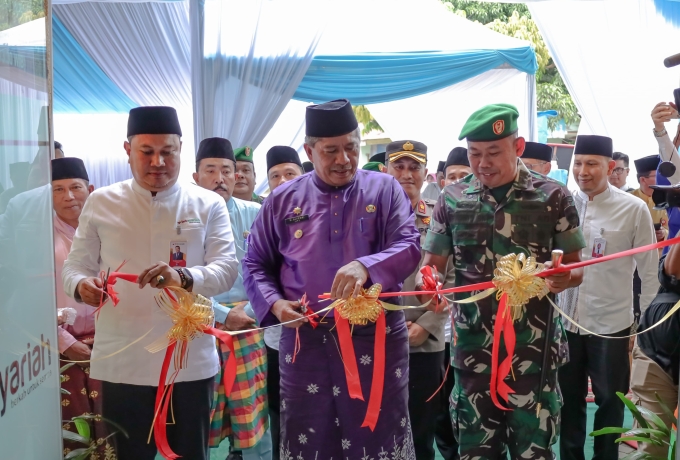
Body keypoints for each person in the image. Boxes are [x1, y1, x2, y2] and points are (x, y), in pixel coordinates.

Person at [243, 99, 421, 459]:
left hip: (376, 337)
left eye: (351, 147)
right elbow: (255, 263)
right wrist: (275, 305)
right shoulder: (280, 200)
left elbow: (409, 245)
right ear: (309, 151)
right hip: (306, 342)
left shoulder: (384, 189)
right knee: (310, 434)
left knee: (378, 434)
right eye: (331, 151)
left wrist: (367, 266)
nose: (344, 159)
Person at [62, 106, 239, 460]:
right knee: (128, 455)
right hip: (122, 358)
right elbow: (74, 266)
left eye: (167, 151)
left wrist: (185, 277)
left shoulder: (207, 204)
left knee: (190, 453)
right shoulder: (101, 202)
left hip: (187, 358)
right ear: (128, 150)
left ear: (180, 149)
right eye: (147, 151)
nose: (158, 161)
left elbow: (226, 269)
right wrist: (81, 286)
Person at [418, 103, 586, 460]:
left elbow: (576, 268)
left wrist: (561, 278)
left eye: (494, 153)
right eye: (474, 154)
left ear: (519, 147)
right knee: (476, 451)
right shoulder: (451, 199)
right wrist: (430, 286)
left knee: (534, 451)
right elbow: (431, 265)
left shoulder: (553, 197)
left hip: (534, 353)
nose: (483, 164)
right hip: (472, 353)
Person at [558, 134, 659, 460]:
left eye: (591, 164)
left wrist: (647, 327)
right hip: (566, 324)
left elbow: (649, 272)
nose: (582, 171)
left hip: (611, 325)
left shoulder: (633, 209)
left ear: (610, 166)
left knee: (611, 402)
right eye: (577, 163)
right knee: (568, 402)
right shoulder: (561, 204)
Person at [192, 137, 272, 460]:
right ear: (195, 177)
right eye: (210, 170)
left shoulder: (256, 213)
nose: (220, 178)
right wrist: (223, 314)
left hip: (248, 328)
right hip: (199, 328)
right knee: (199, 420)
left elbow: (273, 270)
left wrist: (249, 309)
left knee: (253, 418)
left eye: (227, 170)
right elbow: (174, 284)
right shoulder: (180, 219)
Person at [385, 140, 448, 460]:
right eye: (399, 166)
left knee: (421, 429)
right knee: (377, 425)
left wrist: (428, 324)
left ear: (427, 174)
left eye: (414, 167)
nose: (406, 174)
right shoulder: (369, 217)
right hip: (378, 337)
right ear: (385, 170)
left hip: (425, 341)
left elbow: (452, 278)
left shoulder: (441, 216)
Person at [52, 157, 109, 455]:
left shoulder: (110, 229)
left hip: (111, 343)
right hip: (62, 351)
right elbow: (23, 298)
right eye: (58, 190)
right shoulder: (36, 236)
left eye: (75, 187)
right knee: (74, 433)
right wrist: (64, 341)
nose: (68, 196)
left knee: (116, 425)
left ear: (91, 189)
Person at [262, 145, 305, 459]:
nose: (282, 181)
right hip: (279, 335)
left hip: (324, 330)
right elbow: (256, 271)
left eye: (289, 173)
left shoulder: (325, 212)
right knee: (280, 406)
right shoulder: (265, 219)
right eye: (275, 176)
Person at [432, 146, 471, 460]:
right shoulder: (434, 214)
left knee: (468, 399)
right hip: (436, 329)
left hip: (469, 326)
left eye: (464, 177)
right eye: (452, 177)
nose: (458, 182)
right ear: (442, 180)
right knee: (441, 403)